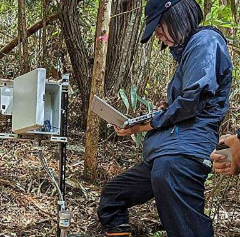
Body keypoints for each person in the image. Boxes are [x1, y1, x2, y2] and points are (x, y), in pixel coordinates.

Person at [97, 0, 233, 236]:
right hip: (165, 150)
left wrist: (142, 126)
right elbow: (183, 102)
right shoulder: (188, 51)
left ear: (177, 16)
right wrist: (164, 109)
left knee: (169, 177)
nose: (158, 35)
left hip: (186, 149)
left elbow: (191, 102)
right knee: (113, 195)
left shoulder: (205, 41)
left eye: (159, 26)